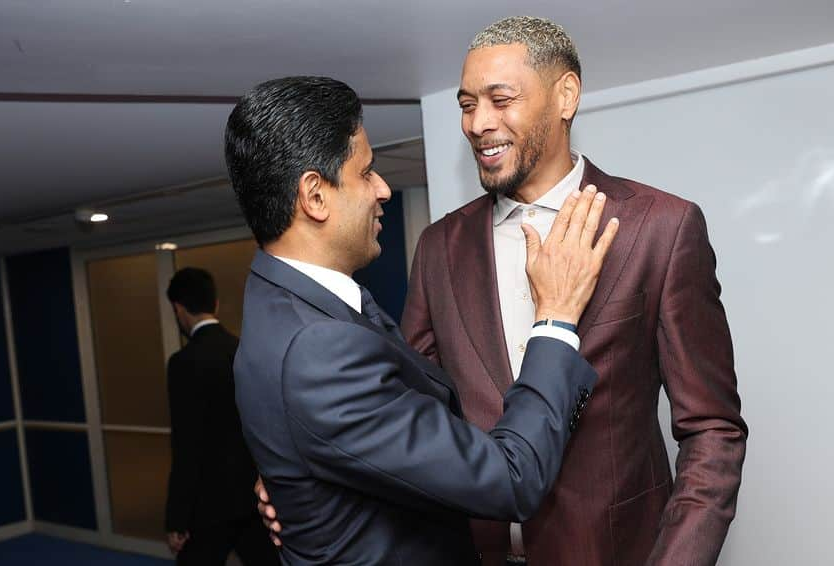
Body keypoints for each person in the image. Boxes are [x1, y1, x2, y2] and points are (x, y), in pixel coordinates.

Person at [226, 75, 617, 565]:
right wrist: (556, 319)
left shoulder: (281, 302)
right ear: (315, 197)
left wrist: (297, 479)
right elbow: (511, 480)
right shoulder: (318, 347)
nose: (383, 189)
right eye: (366, 173)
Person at [400, 16, 748, 566]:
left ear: (566, 96)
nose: (477, 123)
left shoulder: (660, 228)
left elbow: (713, 430)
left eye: (500, 99)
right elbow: (406, 412)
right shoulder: (440, 246)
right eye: (467, 105)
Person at [164, 267, 277, 566]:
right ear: (214, 305)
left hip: (208, 504)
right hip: (254, 496)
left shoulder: (183, 363)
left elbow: (187, 446)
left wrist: (176, 518)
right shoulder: (244, 350)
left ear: (178, 309)